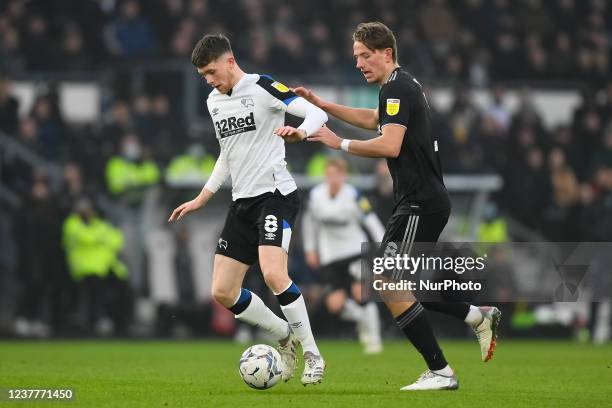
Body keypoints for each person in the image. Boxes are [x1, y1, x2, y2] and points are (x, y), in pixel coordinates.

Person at [287, 21, 501, 391]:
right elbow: (374, 119)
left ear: (387, 53)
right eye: (356, 57)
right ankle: (475, 316)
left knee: (387, 283)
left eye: (365, 56)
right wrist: (321, 104)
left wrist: (339, 144)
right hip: (419, 201)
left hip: (420, 202)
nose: (358, 63)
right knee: (399, 285)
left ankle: (441, 371)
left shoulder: (398, 86)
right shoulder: (397, 87)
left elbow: (389, 145)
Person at [168, 34, 328, 385]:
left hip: (276, 195)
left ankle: (313, 354)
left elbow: (316, 113)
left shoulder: (263, 87)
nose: (208, 80)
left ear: (229, 61)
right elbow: (227, 155)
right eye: (202, 75)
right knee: (222, 291)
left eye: (211, 71)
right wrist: (202, 198)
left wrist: (301, 133)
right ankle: (284, 336)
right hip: (242, 202)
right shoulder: (214, 101)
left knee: (273, 274)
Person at [302, 156, 385, 354]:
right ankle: (362, 319)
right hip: (330, 255)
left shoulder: (354, 195)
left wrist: (383, 246)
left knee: (360, 292)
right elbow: (309, 225)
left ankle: (374, 340)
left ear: (344, 175)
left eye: (337, 174)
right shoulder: (316, 196)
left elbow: (371, 221)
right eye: (330, 174)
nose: (333, 178)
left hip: (354, 251)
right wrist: (310, 249)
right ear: (325, 175)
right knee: (334, 304)